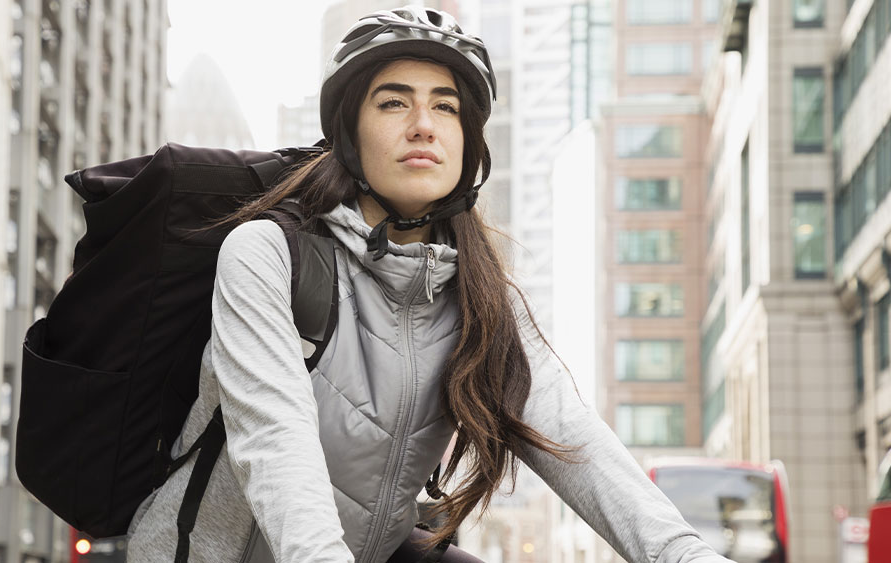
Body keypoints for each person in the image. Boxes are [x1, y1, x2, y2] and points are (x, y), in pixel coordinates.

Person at [126, 7, 736, 563]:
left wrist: (683, 553)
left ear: (468, 142)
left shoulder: (478, 297)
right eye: (394, 103)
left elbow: (573, 439)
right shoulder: (267, 255)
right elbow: (276, 446)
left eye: (445, 107)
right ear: (348, 135)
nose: (424, 125)